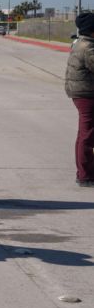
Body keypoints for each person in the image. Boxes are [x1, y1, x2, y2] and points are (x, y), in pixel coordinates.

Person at [65, 12, 94, 187]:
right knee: (87, 134)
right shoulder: (88, 47)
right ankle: (84, 175)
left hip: (80, 92)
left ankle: (85, 172)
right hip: (86, 94)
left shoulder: (80, 43)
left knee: (84, 133)